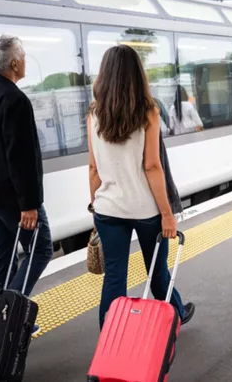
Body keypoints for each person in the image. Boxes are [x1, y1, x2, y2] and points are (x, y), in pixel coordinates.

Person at [87, 44, 195, 329]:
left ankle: (109, 342)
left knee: (114, 279)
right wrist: (167, 213)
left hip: (108, 209)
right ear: (137, 74)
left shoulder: (94, 112)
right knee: (157, 272)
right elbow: (152, 166)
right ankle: (177, 314)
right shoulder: (148, 111)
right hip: (146, 210)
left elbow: (93, 167)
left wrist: (94, 207)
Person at [0, 34, 53, 335]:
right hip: (12, 199)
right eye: (24, 55)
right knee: (41, 250)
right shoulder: (15, 100)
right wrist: (28, 204)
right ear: (14, 63)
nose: (26, 59)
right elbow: (21, 157)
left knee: (2, 255)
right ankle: (10, 315)